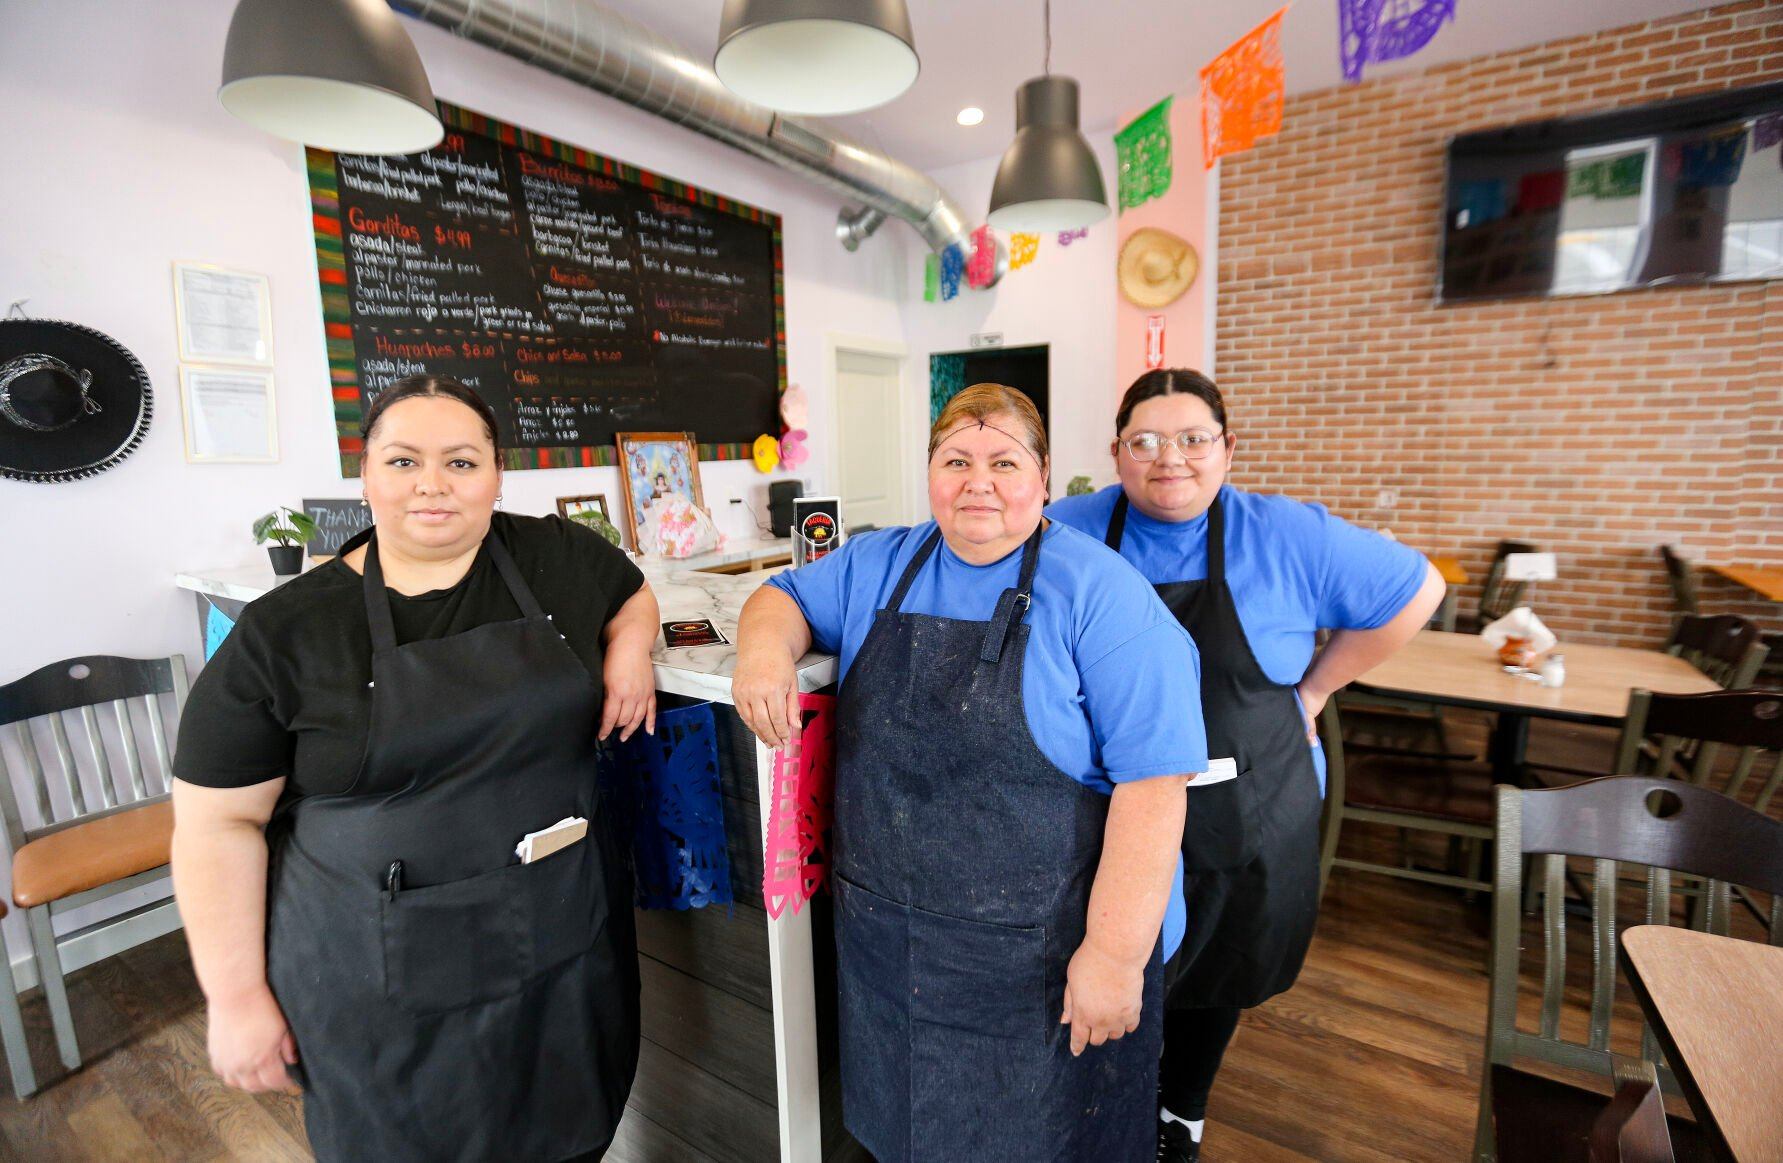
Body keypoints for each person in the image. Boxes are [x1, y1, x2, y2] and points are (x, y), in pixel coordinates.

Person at [170, 375, 660, 1162]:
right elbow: (216, 823)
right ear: (364, 476)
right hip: (378, 983)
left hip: (562, 947)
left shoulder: (555, 554)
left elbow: (632, 592)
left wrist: (632, 649)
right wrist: (234, 998)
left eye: (461, 462)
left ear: (497, 474)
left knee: (571, 1136)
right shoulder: (284, 633)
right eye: (403, 462)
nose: (432, 484)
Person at [733, 383, 1208, 1162]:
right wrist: (761, 651)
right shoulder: (878, 562)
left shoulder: (1102, 594)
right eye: (955, 459)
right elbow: (778, 596)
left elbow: (1154, 788)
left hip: (1048, 958)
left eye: (1003, 460)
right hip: (893, 945)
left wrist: (1116, 956)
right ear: (930, 471)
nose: (977, 480)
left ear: (1044, 476)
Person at [1047, 368, 1446, 1163]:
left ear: (1228, 448)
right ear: (1116, 452)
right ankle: (1103, 1109)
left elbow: (1418, 587)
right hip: (1109, 808)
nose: (1171, 459)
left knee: (1216, 972)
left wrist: (1316, 688)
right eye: (1145, 441)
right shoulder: (1067, 529)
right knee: (1107, 956)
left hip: (1249, 807)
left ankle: (1179, 1118)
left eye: (1194, 439)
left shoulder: (1287, 534)